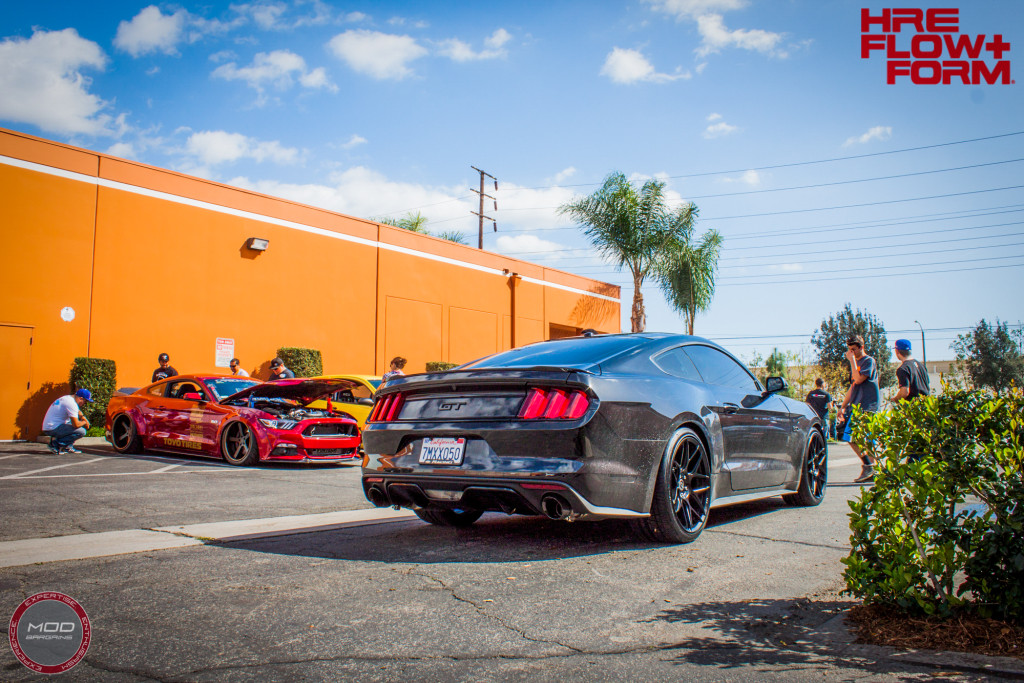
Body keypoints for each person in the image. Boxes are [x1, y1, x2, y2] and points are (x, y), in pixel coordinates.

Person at [838, 335, 881, 483]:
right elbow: (853, 386)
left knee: (865, 439)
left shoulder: (868, 361)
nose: (851, 353)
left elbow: (858, 379)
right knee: (851, 437)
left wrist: (852, 361)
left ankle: (871, 467)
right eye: (849, 350)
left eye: (854, 349)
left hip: (868, 406)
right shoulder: (856, 362)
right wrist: (843, 406)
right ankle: (870, 467)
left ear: (861, 347)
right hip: (857, 406)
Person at [41, 388, 93, 454]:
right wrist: (84, 422)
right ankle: (55, 444)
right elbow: (76, 425)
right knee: (81, 431)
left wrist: (83, 418)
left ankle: (67, 447)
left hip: (50, 426)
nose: (84, 404)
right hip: (53, 428)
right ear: (81, 398)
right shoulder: (72, 404)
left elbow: (78, 412)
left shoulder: (67, 398)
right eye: (85, 401)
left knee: (71, 421)